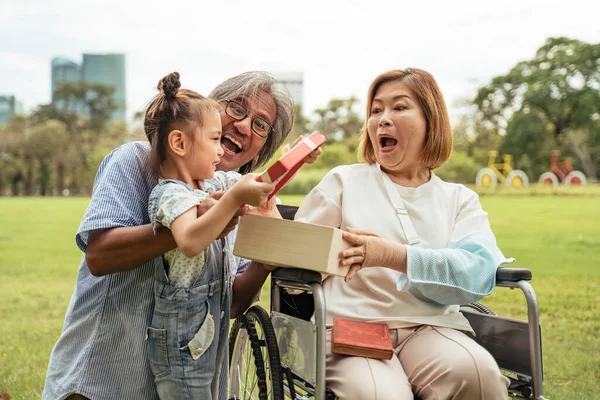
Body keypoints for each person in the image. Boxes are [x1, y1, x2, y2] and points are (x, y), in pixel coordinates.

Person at [42, 71, 320, 400]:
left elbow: (233, 304)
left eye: (260, 125)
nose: (244, 126)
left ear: (262, 147)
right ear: (210, 111)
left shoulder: (231, 194)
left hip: (190, 384)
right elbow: (99, 256)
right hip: (107, 381)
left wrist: (265, 259)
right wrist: (200, 224)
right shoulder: (135, 161)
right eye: (236, 108)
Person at [295, 68, 511, 400]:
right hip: (354, 324)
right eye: (376, 110)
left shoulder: (459, 200)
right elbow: (294, 254)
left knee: (479, 376)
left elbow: (476, 271)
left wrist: (389, 255)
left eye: (399, 107)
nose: (382, 119)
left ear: (431, 120)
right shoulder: (343, 182)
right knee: (382, 395)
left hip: (432, 326)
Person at [142, 72, 275, 399]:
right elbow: (189, 240)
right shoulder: (172, 194)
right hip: (181, 339)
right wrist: (231, 202)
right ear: (179, 143)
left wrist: (296, 158)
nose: (220, 151)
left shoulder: (208, 185)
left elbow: (252, 182)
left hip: (204, 332)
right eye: (214, 139)